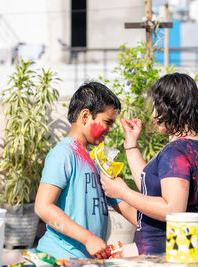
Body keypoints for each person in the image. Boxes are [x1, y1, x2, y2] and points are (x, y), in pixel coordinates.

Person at [101, 73, 198, 255]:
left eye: (158, 105)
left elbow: (172, 208)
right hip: (186, 248)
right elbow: (150, 187)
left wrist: (124, 193)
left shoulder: (176, 151)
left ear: (172, 106)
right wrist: (131, 146)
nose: (154, 114)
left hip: (167, 253)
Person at [34, 81, 124, 259]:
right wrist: (89, 239)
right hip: (58, 258)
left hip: (83, 260)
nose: (110, 130)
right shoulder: (63, 154)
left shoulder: (95, 160)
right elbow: (43, 206)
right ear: (85, 116)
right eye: (107, 122)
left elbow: (123, 202)